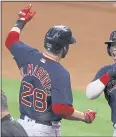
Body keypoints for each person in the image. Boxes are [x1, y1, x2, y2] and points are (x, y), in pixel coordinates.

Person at [5, 4, 96, 137]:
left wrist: (21, 20)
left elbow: (10, 40)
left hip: (21, 128)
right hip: (43, 131)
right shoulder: (60, 73)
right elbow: (61, 109)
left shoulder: (27, 55)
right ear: (64, 48)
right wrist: (85, 117)